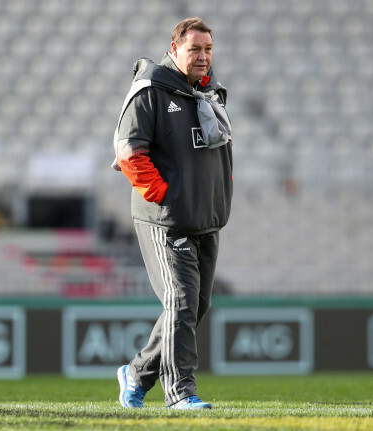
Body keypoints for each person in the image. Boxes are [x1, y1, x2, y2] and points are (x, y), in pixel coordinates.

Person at [111, 17, 233, 410]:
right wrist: (166, 197)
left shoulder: (210, 93)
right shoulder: (151, 91)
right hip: (167, 218)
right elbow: (129, 154)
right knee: (181, 301)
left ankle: (136, 373)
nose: (203, 57)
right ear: (174, 48)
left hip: (206, 219)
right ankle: (180, 393)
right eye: (195, 49)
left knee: (196, 306)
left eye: (208, 49)